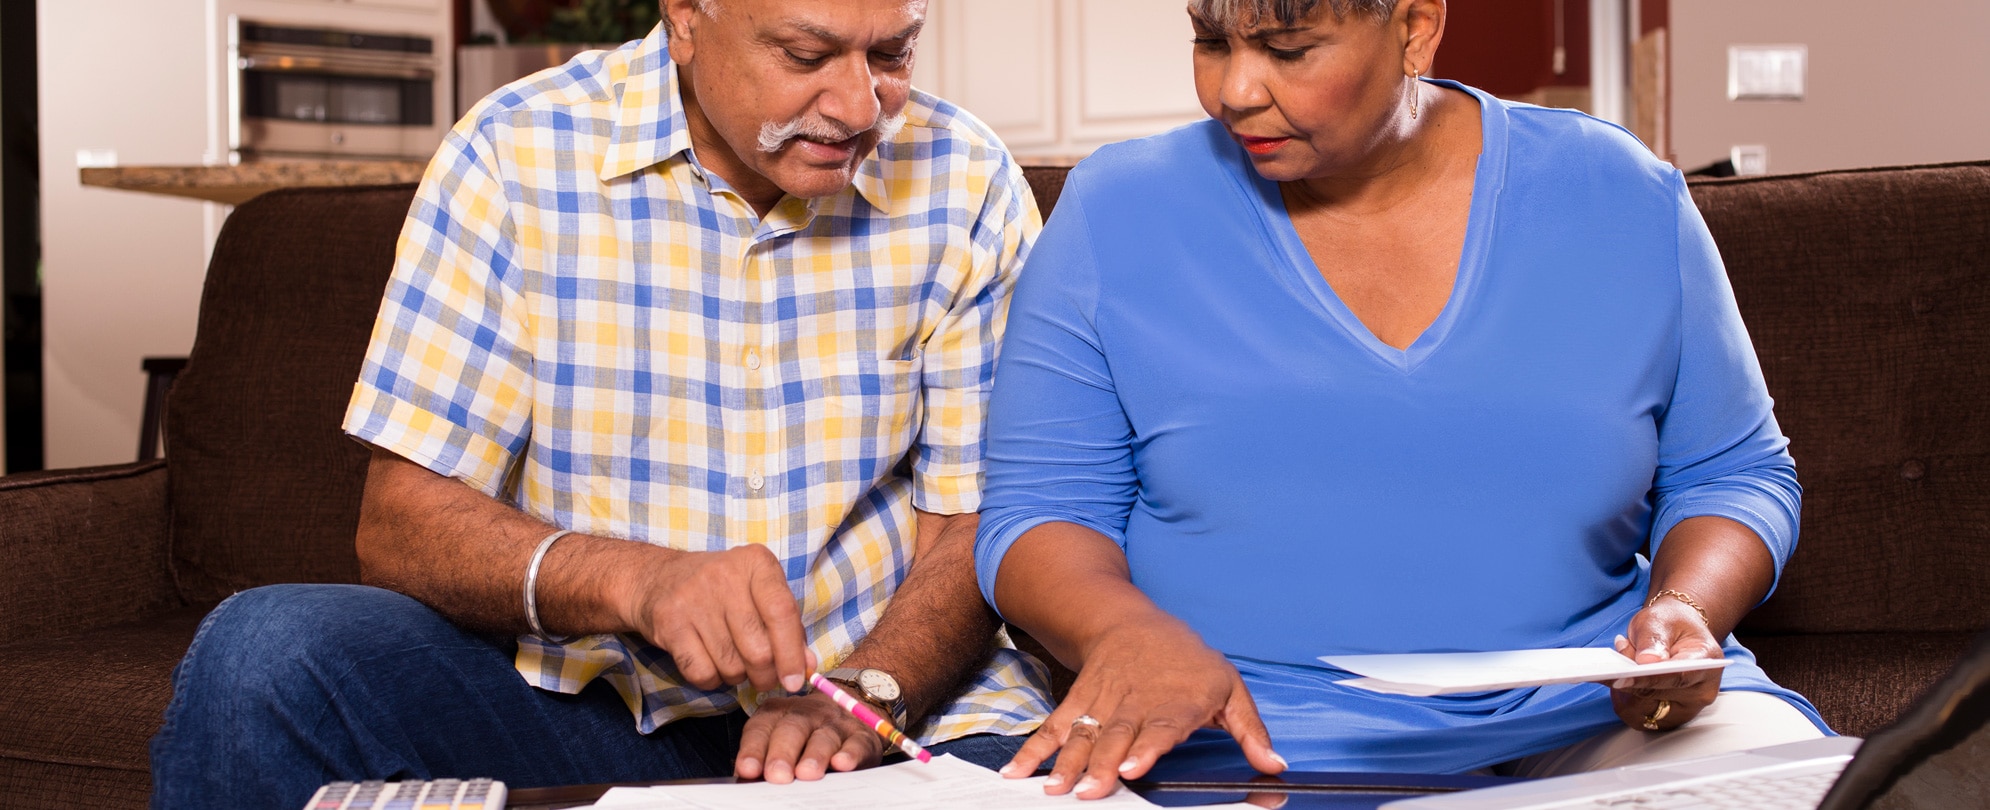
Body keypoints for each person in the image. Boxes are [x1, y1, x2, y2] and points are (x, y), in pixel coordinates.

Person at [147, 1, 1051, 807]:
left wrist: (865, 692)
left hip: (899, 708)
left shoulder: (964, 178)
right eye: (806, 54)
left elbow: (975, 520)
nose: (858, 106)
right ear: (687, 16)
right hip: (584, 705)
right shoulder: (514, 152)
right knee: (264, 651)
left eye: (891, 55)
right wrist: (639, 582)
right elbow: (400, 522)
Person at [972, 0, 1831, 801]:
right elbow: (1039, 514)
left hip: (1595, 715)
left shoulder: (1621, 194)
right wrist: (1125, 635)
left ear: (1415, 27)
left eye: (1287, 49)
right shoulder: (1116, 211)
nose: (1233, 91)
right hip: (1251, 735)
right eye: (1211, 40)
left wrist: (1684, 611)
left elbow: (1733, 472)